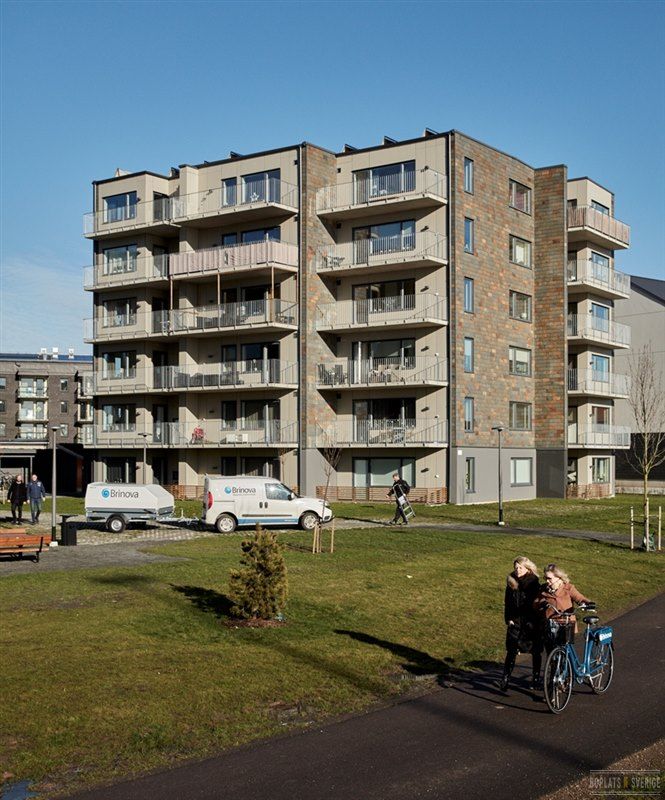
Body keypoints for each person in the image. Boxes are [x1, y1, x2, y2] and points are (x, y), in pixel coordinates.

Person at [500, 556, 542, 691]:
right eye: (516, 568)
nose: (517, 570)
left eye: (520, 568)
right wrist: (509, 618)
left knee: (535, 651)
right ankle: (505, 678)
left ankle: (535, 678)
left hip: (531, 622)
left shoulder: (534, 583)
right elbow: (507, 602)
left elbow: (539, 603)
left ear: (528, 569)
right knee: (511, 650)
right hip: (516, 621)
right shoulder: (511, 582)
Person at [535, 563, 592, 653]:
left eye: (549, 578)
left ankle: (568, 661)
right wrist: (541, 604)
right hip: (550, 624)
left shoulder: (568, 588)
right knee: (551, 651)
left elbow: (579, 598)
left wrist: (587, 603)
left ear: (559, 578)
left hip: (566, 624)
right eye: (545, 578)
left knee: (566, 651)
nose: (547, 581)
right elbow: (536, 603)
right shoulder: (543, 589)